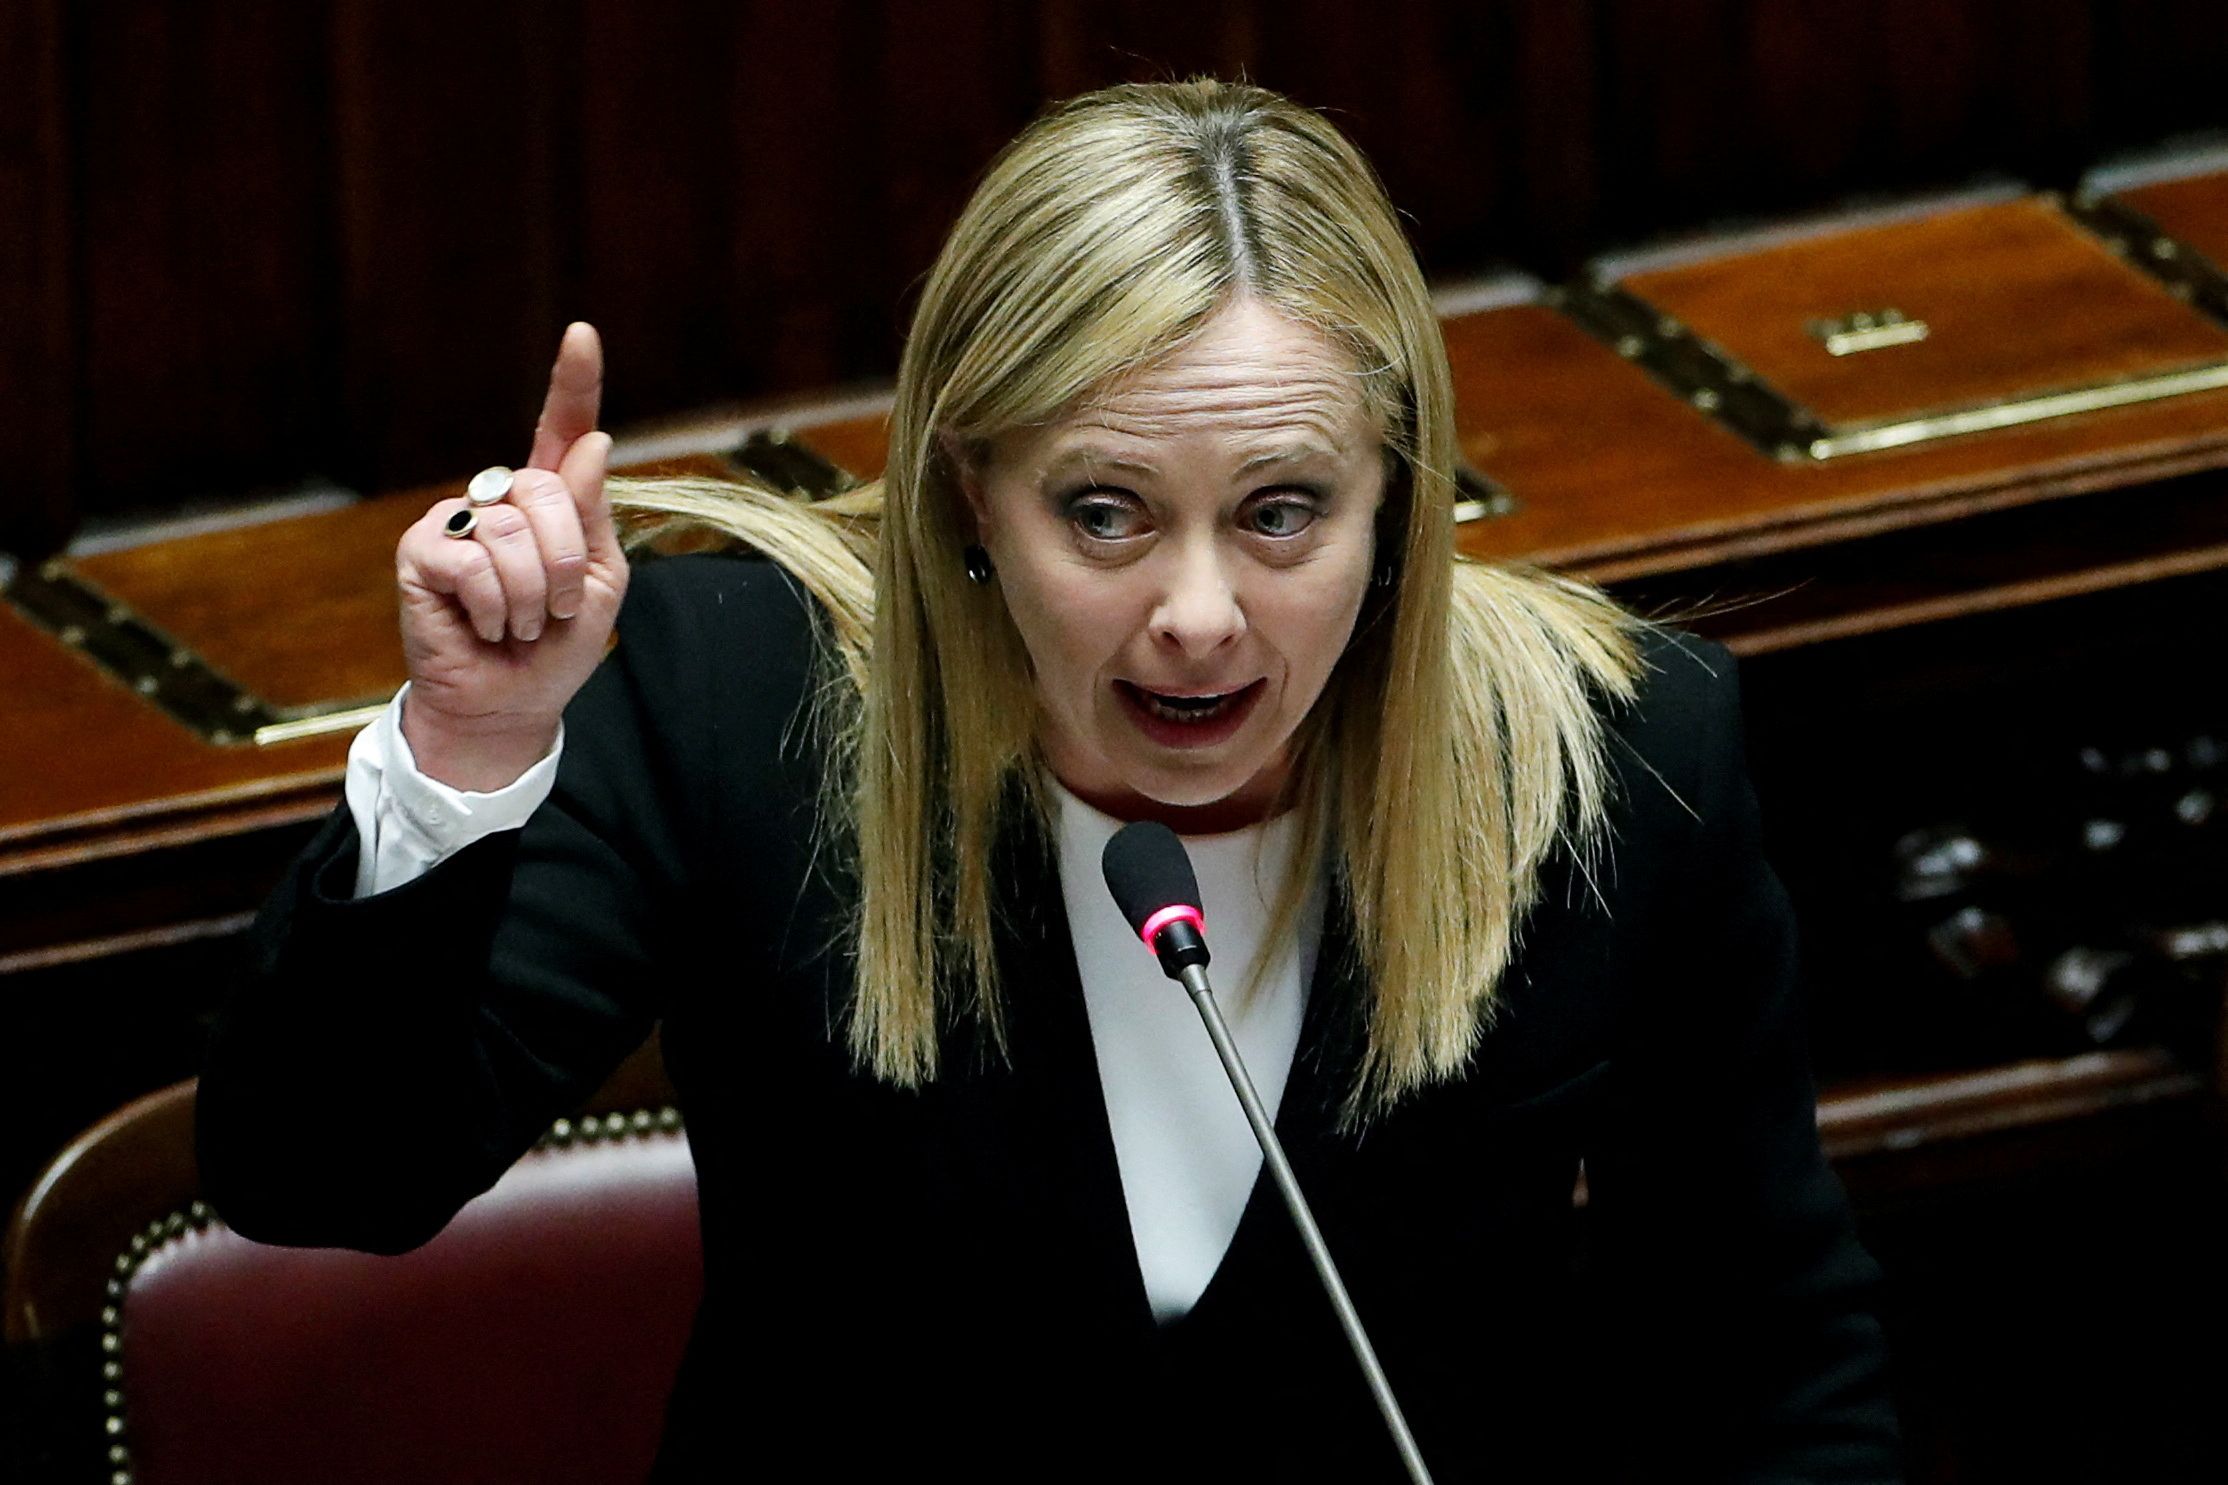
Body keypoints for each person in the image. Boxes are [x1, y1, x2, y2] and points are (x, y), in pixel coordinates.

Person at [197, 79, 1901, 1481]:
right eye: (1103, 512)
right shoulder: (740, 709)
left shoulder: (1606, 766)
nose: (1199, 615)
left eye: (1285, 511)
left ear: (1401, 499)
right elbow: (321, 1172)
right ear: (965, 498)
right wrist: (471, 752)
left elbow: (1773, 1372)